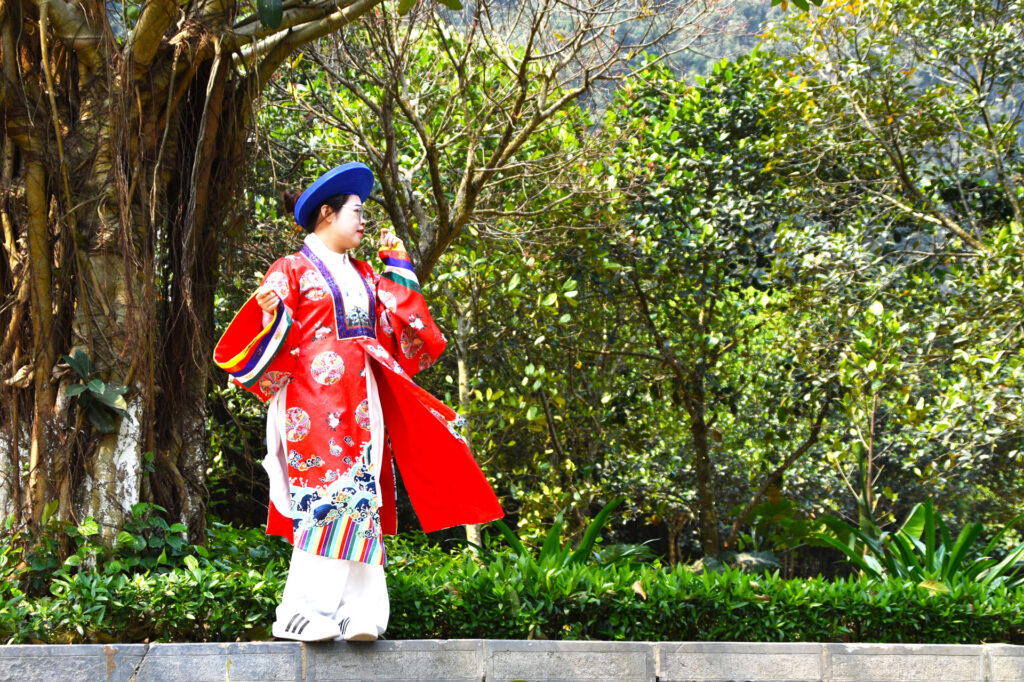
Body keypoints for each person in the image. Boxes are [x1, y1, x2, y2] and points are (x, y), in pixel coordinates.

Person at [213, 162, 502, 642]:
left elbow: (397, 337)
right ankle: (299, 612)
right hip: (310, 404)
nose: (364, 221)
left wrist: (399, 270)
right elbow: (268, 339)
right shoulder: (291, 268)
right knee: (326, 500)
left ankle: (358, 612)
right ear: (327, 213)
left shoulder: (367, 274)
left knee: (362, 499)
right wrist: (271, 316)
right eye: (356, 211)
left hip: (363, 404)